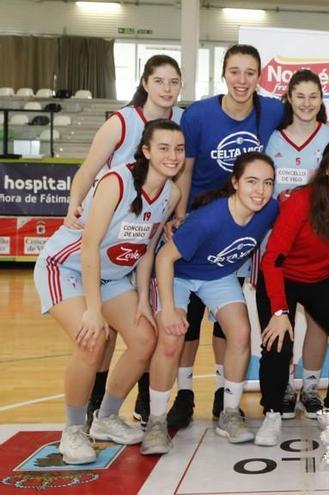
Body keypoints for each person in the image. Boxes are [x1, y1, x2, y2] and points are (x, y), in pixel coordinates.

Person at [34, 119, 183, 464]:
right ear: (146, 151)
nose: (172, 156)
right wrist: (93, 309)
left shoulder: (171, 193)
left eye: (178, 149)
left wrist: (144, 299)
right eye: (163, 148)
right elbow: (89, 246)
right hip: (65, 268)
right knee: (93, 337)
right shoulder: (117, 181)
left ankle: (106, 418)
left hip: (113, 276)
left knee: (146, 337)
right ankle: (73, 429)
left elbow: (145, 249)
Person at [62, 55, 184, 427]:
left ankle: (144, 401)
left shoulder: (180, 123)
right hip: (113, 229)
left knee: (146, 319)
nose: (167, 88)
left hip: (148, 231)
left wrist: (173, 212)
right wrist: (74, 204)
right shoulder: (122, 121)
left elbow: (183, 171)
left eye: (174, 81)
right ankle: (96, 404)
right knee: (107, 330)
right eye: (159, 80)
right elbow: (89, 169)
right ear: (145, 83)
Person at [172, 44, 285, 429]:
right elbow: (184, 169)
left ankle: (224, 393)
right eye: (235, 72)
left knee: (227, 322)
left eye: (249, 72)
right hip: (202, 222)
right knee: (186, 321)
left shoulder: (270, 109)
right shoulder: (199, 114)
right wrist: (180, 213)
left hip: (241, 221)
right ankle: (184, 393)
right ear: (224, 74)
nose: (242, 80)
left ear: (259, 77)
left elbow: (306, 113)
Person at [146, 152, 278, 454]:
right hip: (178, 274)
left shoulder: (269, 209)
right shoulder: (209, 219)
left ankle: (229, 413)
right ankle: (155, 421)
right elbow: (165, 258)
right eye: (252, 182)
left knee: (241, 333)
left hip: (217, 275)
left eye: (267, 183)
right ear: (235, 183)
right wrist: (167, 309)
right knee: (171, 337)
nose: (260, 190)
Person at [256, 136, 329, 446]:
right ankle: (271, 413)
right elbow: (273, 260)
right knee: (278, 341)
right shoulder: (302, 200)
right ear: (325, 168)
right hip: (281, 278)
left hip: (321, 279)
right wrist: (280, 312)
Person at [262, 69, 329, 421]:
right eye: (300, 96)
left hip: (321, 244)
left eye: (313, 96)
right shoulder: (272, 139)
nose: (307, 103)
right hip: (279, 245)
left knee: (319, 322)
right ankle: (285, 386)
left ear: (321, 100)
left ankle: (309, 386)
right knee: (281, 319)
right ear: (289, 98)